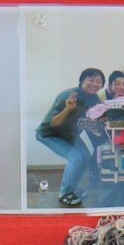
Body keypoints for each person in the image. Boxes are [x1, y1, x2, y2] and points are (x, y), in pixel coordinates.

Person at [36, 68, 104, 207]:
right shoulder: (68, 96)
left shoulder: (94, 99)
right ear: (81, 81)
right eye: (91, 80)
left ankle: (72, 187)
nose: (94, 84)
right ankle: (65, 193)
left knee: (86, 157)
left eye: (98, 81)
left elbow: (91, 120)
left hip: (70, 134)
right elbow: (54, 123)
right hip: (51, 133)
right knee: (76, 158)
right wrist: (68, 109)